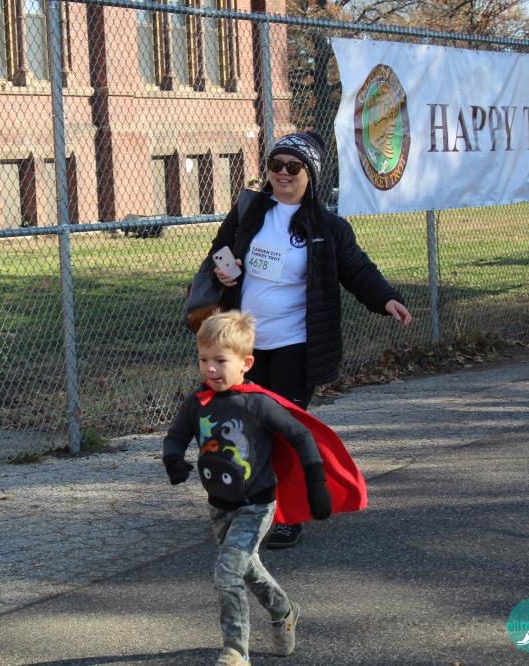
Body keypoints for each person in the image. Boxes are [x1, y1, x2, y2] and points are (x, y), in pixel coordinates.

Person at [207, 130, 411, 548]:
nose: (282, 173)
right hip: (244, 346)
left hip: (295, 345)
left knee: (282, 432)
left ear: (311, 174)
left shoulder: (327, 227)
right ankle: (250, 505)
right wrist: (223, 271)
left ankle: (287, 514)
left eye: (293, 167)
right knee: (244, 429)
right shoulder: (248, 211)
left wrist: (386, 298)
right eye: (275, 165)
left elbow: (357, 269)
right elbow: (218, 251)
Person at [162, 311, 345, 666]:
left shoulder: (258, 403)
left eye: (220, 361)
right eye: (203, 359)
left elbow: (301, 435)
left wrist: (316, 484)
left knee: (227, 572)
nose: (210, 368)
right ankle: (284, 611)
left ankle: (235, 651)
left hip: (256, 505)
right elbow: (176, 437)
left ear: (245, 363)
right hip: (219, 505)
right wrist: (173, 459)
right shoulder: (197, 402)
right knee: (247, 569)